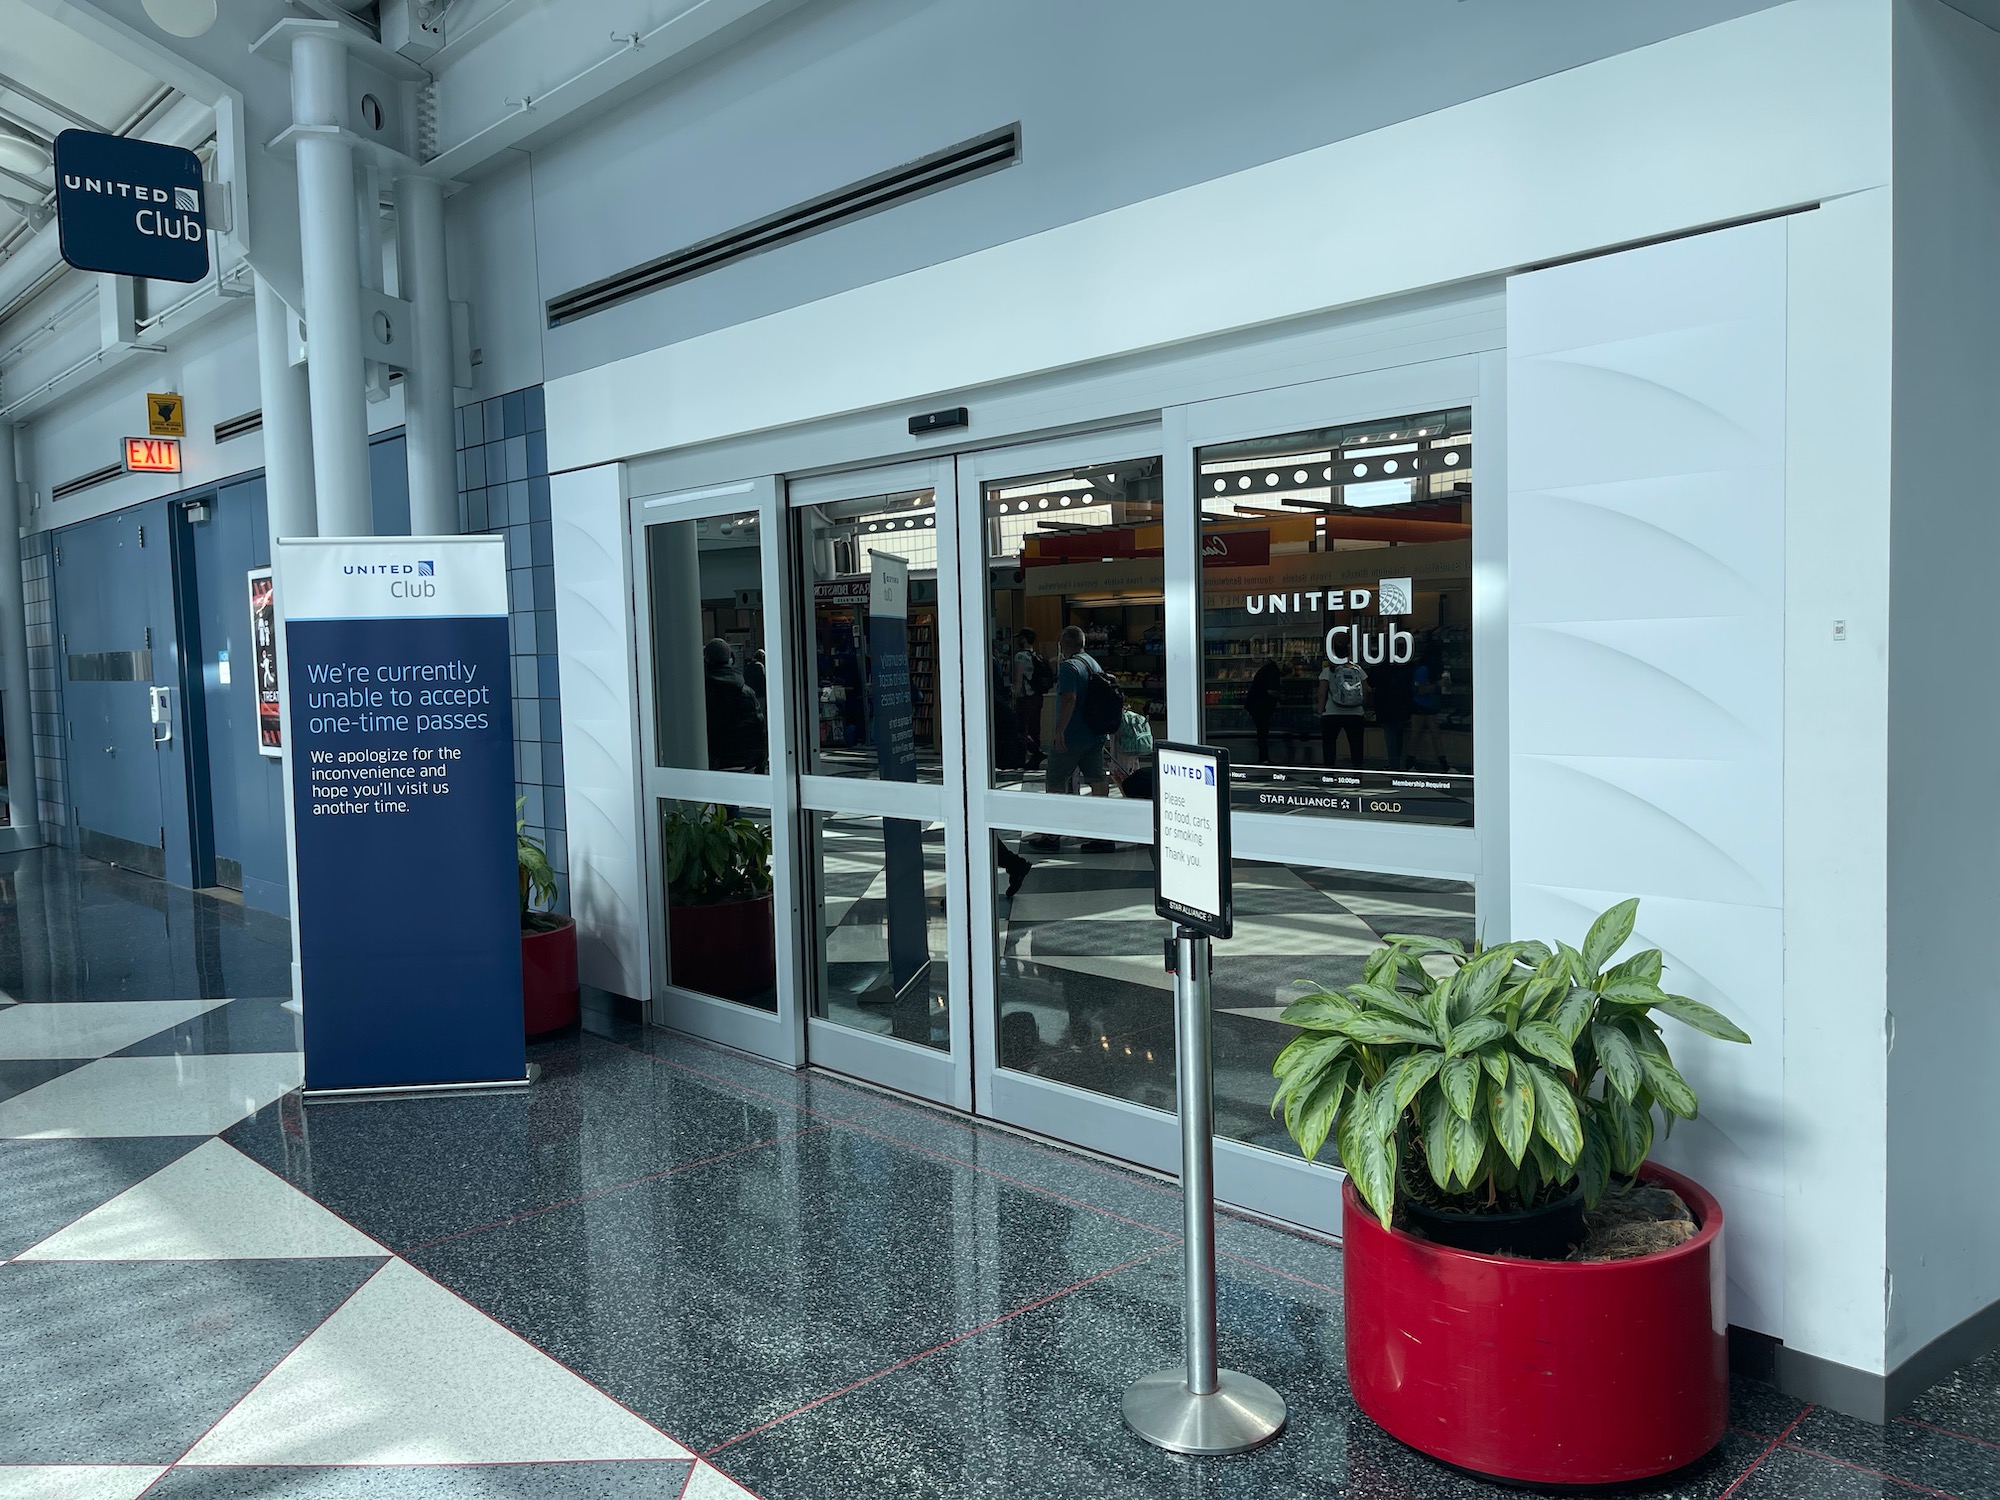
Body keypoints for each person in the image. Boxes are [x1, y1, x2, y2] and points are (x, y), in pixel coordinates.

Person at [1030, 625, 1113, 851]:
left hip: (1072, 736)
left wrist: (1059, 732)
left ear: (1064, 644)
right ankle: (1103, 835)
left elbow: (1069, 698)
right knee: (1098, 782)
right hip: (1094, 735)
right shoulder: (1091, 663)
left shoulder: (1069, 666)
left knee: (1055, 782)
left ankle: (1052, 836)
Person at [702, 639, 765, 771]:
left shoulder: (700, 694)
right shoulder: (746, 693)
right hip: (743, 764)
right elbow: (759, 731)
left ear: (705, 660)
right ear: (731, 659)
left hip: (711, 764)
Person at [1317, 653, 1368, 768]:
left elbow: (1322, 692)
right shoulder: (1358, 670)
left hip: (1331, 713)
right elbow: (1365, 690)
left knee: (1329, 744)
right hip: (1355, 713)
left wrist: (1320, 710)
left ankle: (1329, 771)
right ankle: (1357, 771)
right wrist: (1363, 705)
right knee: (1356, 745)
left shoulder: (1328, 671)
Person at [1407, 640, 1451, 773]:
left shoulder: (1427, 668)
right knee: (1418, 733)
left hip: (1427, 704)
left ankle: (1444, 766)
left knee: (1433, 733)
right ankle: (1410, 765)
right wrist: (1439, 684)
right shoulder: (1423, 669)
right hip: (1419, 704)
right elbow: (1420, 690)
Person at [1011, 628, 1050, 771]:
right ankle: (1036, 756)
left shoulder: (1020, 656)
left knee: (1021, 728)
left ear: (1025, 639)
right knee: (1035, 728)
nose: (1018, 640)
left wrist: (1014, 697)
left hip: (1025, 698)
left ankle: (1034, 753)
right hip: (1037, 697)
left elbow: (1018, 680)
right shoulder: (1037, 655)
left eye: (1020, 638)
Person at [1245, 657, 1282, 763]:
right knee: (1262, 732)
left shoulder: (1266, 669)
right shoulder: (1273, 671)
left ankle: (1263, 757)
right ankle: (1263, 758)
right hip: (1260, 706)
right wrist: (1282, 697)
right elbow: (1271, 691)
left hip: (1256, 705)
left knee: (1262, 732)